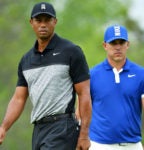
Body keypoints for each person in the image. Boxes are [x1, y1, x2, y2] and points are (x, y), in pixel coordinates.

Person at [0, 2, 92, 150]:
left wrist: (84, 135)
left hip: (62, 127)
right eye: (38, 20)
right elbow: (19, 98)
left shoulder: (71, 51)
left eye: (47, 20)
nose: (43, 24)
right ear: (31, 23)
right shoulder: (26, 60)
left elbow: (84, 94)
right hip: (38, 130)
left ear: (54, 22)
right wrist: (3, 127)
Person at [89, 25, 144, 150]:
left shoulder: (142, 74)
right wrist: (81, 138)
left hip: (132, 145)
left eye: (121, 42)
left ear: (127, 44)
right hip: (99, 145)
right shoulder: (92, 75)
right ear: (105, 45)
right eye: (113, 43)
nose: (118, 47)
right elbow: (82, 111)